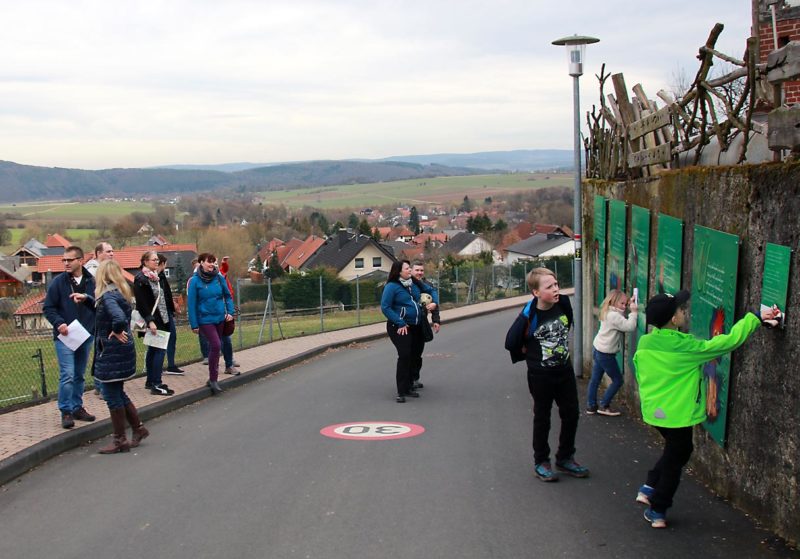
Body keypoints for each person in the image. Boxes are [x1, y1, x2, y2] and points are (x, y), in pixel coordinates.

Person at [633, 290, 778, 529]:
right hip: (677, 415)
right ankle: (658, 508)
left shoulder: (646, 342)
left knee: (675, 450)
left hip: (654, 412)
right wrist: (754, 317)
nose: (684, 311)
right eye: (680, 309)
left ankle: (649, 486)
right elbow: (727, 342)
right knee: (677, 456)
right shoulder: (685, 347)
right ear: (673, 319)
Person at [504, 268, 589, 482]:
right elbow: (510, 342)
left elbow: (567, 324)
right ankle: (541, 461)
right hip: (540, 375)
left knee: (571, 414)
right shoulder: (529, 314)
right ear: (536, 292)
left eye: (556, 284)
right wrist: (531, 355)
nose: (556, 289)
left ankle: (565, 458)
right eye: (549, 287)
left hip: (564, 370)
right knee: (543, 418)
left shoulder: (564, 303)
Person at [92, 259, 149, 454]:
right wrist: (85, 299)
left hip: (112, 352)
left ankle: (119, 440)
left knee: (111, 395)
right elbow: (108, 313)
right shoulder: (119, 293)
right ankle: (138, 429)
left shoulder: (108, 296)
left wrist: (116, 330)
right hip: (121, 352)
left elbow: (117, 318)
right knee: (118, 392)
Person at [43, 245, 97, 429]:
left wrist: (92, 328)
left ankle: (77, 407)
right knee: (67, 374)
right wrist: (59, 323)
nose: (65, 263)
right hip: (65, 336)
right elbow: (48, 307)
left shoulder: (92, 281)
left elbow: (99, 304)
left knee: (80, 375)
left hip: (85, 335)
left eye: (69, 260)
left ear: (80, 261)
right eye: (64, 260)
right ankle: (65, 411)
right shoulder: (58, 282)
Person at [187, 252, 235, 395]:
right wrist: (194, 324)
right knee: (216, 345)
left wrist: (230, 312)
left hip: (220, 318)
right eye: (209, 262)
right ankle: (214, 379)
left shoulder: (218, 278)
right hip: (204, 319)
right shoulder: (195, 281)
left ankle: (212, 377)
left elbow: (228, 295)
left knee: (215, 347)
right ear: (201, 262)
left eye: (214, 262)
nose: (212, 265)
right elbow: (191, 304)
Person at [381, 260, 427, 403]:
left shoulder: (411, 285)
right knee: (404, 355)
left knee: (413, 355)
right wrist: (400, 322)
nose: (410, 271)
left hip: (413, 325)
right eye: (407, 269)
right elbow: (385, 307)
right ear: (399, 271)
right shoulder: (391, 286)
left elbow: (419, 299)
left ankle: (408, 387)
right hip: (398, 327)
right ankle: (401, 391)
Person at [586, 289, 637, 416]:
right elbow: (629, 326)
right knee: (618, 380)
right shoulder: (614, 316)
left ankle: (591, 406)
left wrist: (629, 303)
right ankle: (604, 405)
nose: (624, 307)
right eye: (622, 304)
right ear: (613, 302)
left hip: (598, 349)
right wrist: (634, 312)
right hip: (606, 354)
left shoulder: (607, 311)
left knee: (595, 379)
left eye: (626, 304)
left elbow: (621, 319)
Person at [133, 251, 174, 396]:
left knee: (153, 350)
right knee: (159, 351)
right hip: (153, 321)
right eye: (153, 260)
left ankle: (151, 380)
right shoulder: (141, 279)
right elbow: (142, 302)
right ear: (145, 261)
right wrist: (150, 321)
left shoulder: (154, 277)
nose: (156, 262)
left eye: (157, 260)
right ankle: (156, 382)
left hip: (161, 318)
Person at [410, 261, 439, 390]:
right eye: (417, 270)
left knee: (418, 353)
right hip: (408, 324)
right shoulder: (406, 285)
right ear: (411, 271)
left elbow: (434, 305)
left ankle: (415, 378)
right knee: (408, 353)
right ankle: (407, 379)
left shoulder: (427, 286)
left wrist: (436, 320)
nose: (419, 273)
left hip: (422, 324)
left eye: (421, 270)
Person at [157, 253, 184, 375]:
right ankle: (157, 367)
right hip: (160, 314)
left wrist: (173, 305)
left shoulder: (162, 277)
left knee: (171, 337)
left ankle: (171, 365)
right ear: (162, 264)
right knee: (160, 341)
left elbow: (166, 294)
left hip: (168, 311)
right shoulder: (155, 278)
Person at [218, 256, 240, 375]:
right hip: (213, 314)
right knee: (217, 341)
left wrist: (230, 311)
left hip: (226, 310)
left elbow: (224, 270)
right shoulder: (202, 279)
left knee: (226, 339)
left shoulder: (220, 276)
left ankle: (229, 363)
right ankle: (215, 364)